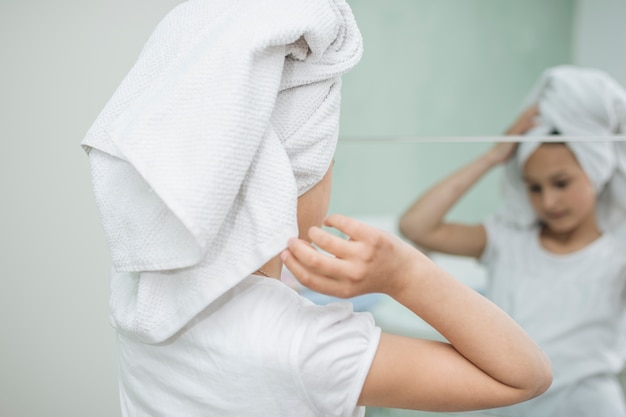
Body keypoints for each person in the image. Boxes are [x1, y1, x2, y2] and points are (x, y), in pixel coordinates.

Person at [81, 1, 551, 416]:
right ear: (279, 185)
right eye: (329, 163)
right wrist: (404, 276)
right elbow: (524, 376)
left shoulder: (141, 297)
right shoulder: (301, 349)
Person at [399, 66, 626, 417]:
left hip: (588, 404)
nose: (548, 201)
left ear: (596, 171)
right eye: (534, 187)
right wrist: (493, 157)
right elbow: (416, 226)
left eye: (561, 183)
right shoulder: (507, 241)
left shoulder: (617, 257)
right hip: (509, 405)